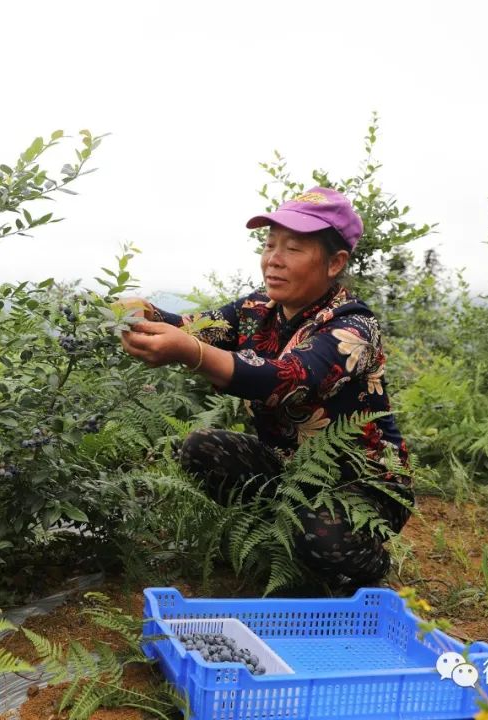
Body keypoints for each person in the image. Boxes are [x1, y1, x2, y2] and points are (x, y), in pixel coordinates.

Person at [118, 187, 413, 590]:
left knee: (320, 535)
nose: (273, 259)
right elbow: (192, 326)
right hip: (289, 467)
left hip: (360, 486)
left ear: (335, 263)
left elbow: (288, 379)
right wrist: (144, 312)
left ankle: (368, 563)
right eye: (270, 244)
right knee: (203, 448)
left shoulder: (354, 327)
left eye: (293, 248)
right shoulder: (257, 310)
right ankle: (275, 541)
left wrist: (193, 354)